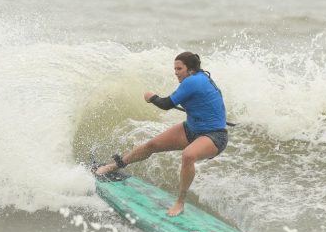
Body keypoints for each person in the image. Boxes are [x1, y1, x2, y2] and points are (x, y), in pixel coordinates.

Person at [95, 52, 228, 216]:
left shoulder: (193, 81)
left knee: (188, 155)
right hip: (193, 129)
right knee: (151, 145)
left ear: (191, 69)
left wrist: (151, 97)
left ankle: (180, 203)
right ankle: (114, 166)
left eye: (179, 68)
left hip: (214, 136)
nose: (176, 72)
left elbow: (166, 104)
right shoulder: (199, 78)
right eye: (175, 69)